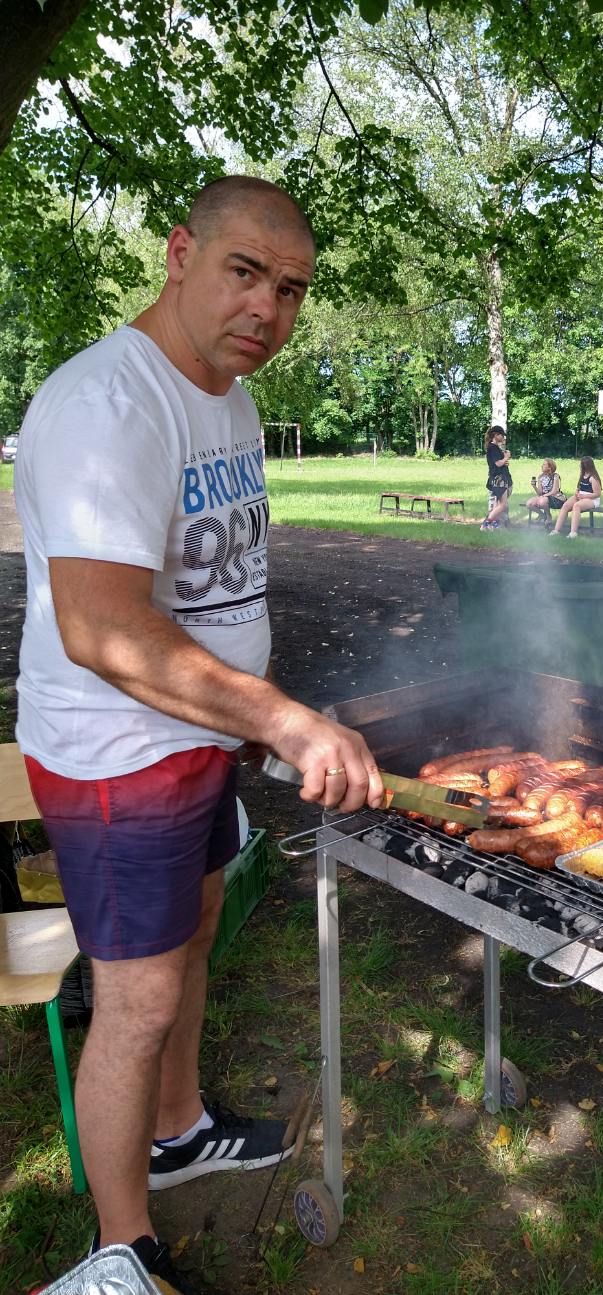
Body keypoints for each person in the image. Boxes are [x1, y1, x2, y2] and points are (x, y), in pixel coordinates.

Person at [14, 176, 385, 1295]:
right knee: (140, 998)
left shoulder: (224, 395)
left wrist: (251, 726)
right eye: (243, 272)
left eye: (290, 290)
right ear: (179, 253)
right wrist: (282, 716)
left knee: (200, 930)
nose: (266, 309)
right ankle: (117, 1250)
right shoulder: (106, 404)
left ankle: (177, 1129)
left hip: (193, 744)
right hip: (114, 758)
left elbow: (219, 590)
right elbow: (99, 625)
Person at [550, 456, 603, 537]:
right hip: (581, 496)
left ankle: (573, 533)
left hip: (592, 499)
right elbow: (579, 487)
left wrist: (584, 496)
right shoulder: (583, 475)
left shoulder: (593, 478)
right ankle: (556, 530)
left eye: (581, 465)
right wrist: (577, 492)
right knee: (565, 505)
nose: (580, 467)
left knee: (576, 506)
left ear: (586, 466)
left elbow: (598, 494)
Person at [480, 424, 513, 530]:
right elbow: (498, 464)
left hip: (499, 478)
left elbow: (497, 463)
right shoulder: (492, 447)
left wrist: (505, 461)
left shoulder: (494, 447)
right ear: (496, 435)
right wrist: (506, 457)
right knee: (502, 505)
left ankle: (492, 525)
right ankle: (486, 523)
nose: (503, 438)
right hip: (499, 479)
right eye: (502, 435)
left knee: (497, 504)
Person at [525, 458, 566, 530]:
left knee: (542, 501)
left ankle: (548, 516)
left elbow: (554, 491)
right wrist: (534, 486)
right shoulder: (541, 477)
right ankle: (542, 515)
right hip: (544, 497)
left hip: (556, 498)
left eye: (544, 464)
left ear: (549, 467)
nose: (541, 466)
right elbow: (540, 493)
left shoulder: (555, 476)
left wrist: (543, 496)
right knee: (529, 503)